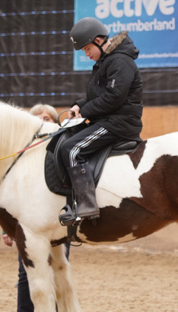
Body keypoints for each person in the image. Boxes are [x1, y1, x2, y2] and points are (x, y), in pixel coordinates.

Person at [59, 17, 143, 226]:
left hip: (119, 123)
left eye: (87, 49)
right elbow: (99, 95)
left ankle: (86, 205)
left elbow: (114, 98)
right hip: (108, 119)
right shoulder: (105, 62)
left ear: (98, 40)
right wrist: (79, 105)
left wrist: (86, 111)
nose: (87, 55)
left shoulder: (120, 61)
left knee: (71, 150)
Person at [3, 103, 70, 312]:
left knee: (58, 270)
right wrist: (6, 228)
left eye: (48, 118)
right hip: (29, 226)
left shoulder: (63, 155)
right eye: (39, 118)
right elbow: (10, 196)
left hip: (58, 225)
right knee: (26, 274)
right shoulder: (19, 157)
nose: (43, 122)